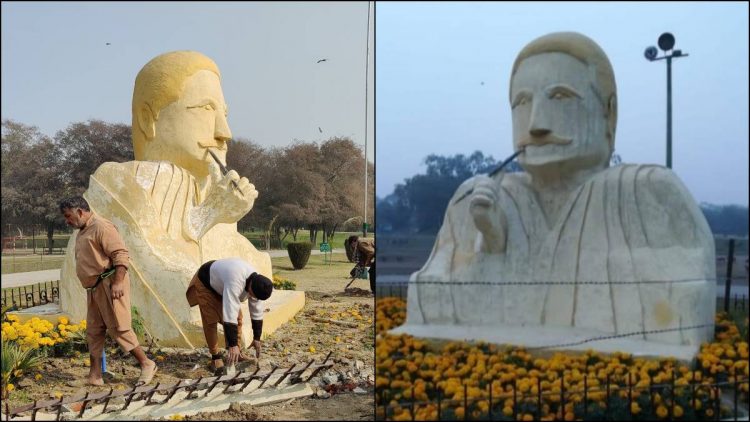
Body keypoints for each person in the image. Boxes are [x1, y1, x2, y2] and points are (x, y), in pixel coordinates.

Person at [406, 32, 715, 351]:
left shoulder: (646, 192)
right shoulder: (476, 200)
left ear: (608, 113)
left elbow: (682, 303)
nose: (537, 125)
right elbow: (431, 297)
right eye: (522, 103)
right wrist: (493, 249)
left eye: (561, 97)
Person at [59, 51, 272, 348]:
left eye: (224, 114)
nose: (224, 132)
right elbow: (166, 278)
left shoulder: (208, 186)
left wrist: (224, 214)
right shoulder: (119, 182)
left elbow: (247, 262)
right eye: (206, 109)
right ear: (149, 119)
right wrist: (208, 215)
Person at [59, 196, 157, 386]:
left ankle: (147, 363)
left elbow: (120, 254)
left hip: (109, 284)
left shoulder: (102, 227)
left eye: (68, 216)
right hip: (94, 289)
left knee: (119, 327)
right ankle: (95, 376)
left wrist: (118, 283)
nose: (67, 221)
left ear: (80, 211)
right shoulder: (83, 230)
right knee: (94, 331)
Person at [186, 257, 273, 373]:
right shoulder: (235, 280)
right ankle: (215, 357)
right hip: (206, 281)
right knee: (210, 319)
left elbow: (256, 310)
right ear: (251, 287)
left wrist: (257, 338)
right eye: (253, 295)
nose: (254, 299)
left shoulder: (259, 284)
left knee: (238, 318)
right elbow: (230, 313)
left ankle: (237, 354)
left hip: (222, 284)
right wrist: (232, 345)